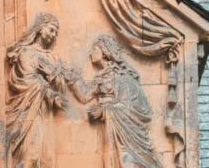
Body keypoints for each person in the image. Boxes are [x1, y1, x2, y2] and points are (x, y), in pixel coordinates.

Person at [66, 35, 162, 168]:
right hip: (111, 130)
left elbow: (133, 106)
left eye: (94, 49)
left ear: (105, 52)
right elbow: (85, 96)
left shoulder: (121, 75)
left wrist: (104, 110)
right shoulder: (102, 76)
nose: (90, 53)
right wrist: (73, 78)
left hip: (126, 135)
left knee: (126, 161)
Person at [6, 13, 68, 167]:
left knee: (45, 156)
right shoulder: (26, 52)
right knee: (31, 153)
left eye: (56, 33)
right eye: (51, 30)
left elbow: (61, 86)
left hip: (45, 110)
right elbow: (26, 80)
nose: (53, 35)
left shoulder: (52, 57)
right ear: (40, 28)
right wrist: (50, 89)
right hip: (28, 109)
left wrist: (54, 80)